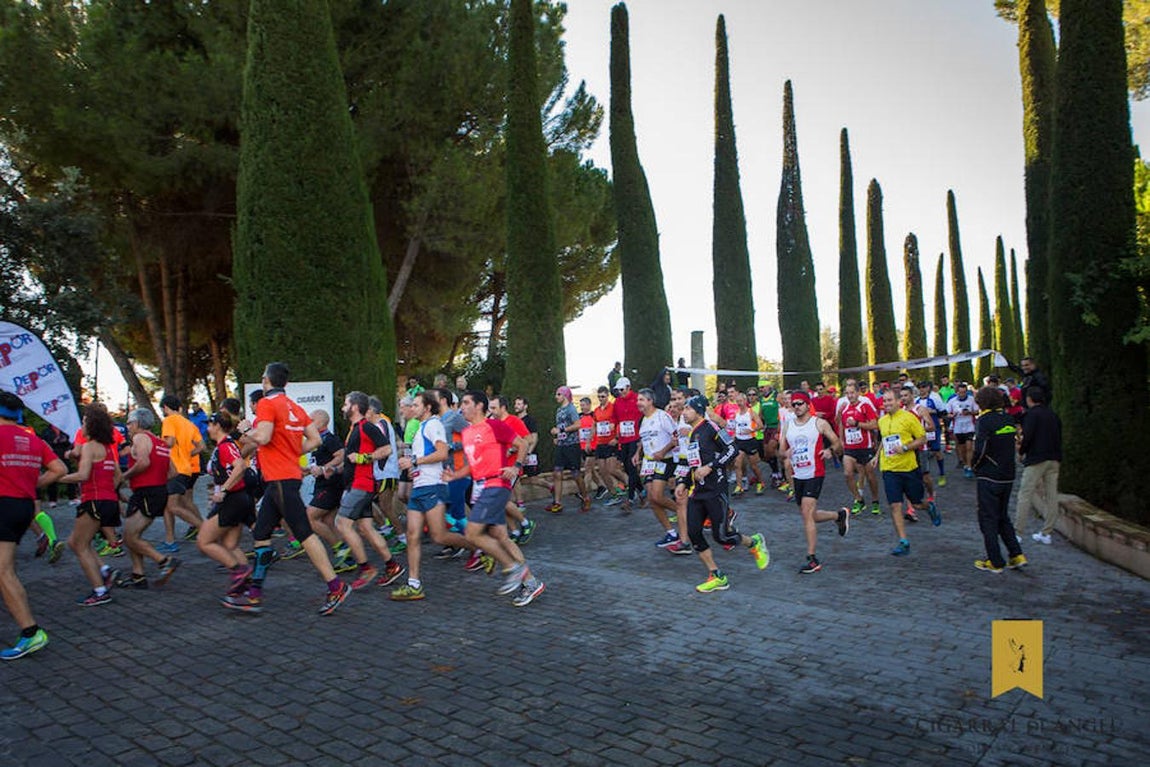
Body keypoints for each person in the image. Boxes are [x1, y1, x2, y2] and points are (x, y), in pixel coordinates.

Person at [230, 362, 350, 615]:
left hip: (281, 479)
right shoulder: (295, 407)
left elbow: (263, 437)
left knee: (305, 533)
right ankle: (254, 594)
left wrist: (246, 430)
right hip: (282, 480)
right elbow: (315, 440)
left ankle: (336, 586)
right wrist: (291, 451)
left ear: (266, 381)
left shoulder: (267, 403)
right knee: (261, 534)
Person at [458, 391, 545, 606]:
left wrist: (516, 466)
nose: (462, 407)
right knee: (500, 536)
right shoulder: (467, 433)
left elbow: (523, 443)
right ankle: (531, 582)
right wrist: (454, 475)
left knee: (472, 533)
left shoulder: (494, 425)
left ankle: (513, 569)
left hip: (496, 485)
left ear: (479, 406)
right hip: (482, 487)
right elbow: (474, 464)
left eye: (466, 402)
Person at [675, 395, 769, 592]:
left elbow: (732, 449)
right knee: (694, 533)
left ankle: (754, 542)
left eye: (688, 409)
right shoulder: (691, 434)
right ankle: (717, 575)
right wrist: (683, 482)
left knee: (722, 536)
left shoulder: (711, 427)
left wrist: (711, 466)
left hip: (715, 489)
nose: (683, 412)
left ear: (698, 411)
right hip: (697, 491)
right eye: (683, 409)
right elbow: (691, 462)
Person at [0, 392, 66, 659]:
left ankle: (30, 632)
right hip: (24, 507)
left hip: (3, 505)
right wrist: (32, 483)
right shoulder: (33, 439)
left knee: (4, 572)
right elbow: (59, 469)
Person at [391, 391, 474, 601]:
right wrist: (413, 467)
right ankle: (414, 584)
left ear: (427, 407)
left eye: (416, 404)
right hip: (420, 486)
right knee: (412, 535)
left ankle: (481, 547)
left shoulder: (434, 424)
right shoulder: (421, 427)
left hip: (433, 486)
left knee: (439, 536)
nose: (412, 407)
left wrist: (415, 462)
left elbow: (442, 453)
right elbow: (424, 456)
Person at [335, 392, 405, 591]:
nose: (343, 408)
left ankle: (366, 568)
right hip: (358, 484)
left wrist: (364, 458)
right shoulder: (356, 428)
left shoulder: (366, 426)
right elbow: (352, 457)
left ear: (355, 407)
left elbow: (386, 449)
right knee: (366, 528)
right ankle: (392, 566)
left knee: (342, 524)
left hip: (361, 485)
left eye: (346, 404)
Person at [778, 390, 848, 573]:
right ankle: (838, 516)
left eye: (800, 403)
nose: (796, 407)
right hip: (797, 474)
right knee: (809, 515)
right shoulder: (787, 425)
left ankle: (812, 558)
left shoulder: (819, 423)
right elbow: (780, 452)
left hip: (815, 473)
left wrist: (829, 451)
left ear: (808, 404)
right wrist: (785, 453)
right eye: (794, 404)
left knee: (807, 512)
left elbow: (838, 443)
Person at [59, 403, 121, 606]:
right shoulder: (107, 449)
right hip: (107, 500)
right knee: (75, 542)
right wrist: (108, 491)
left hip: (93, 500)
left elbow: (83, 475)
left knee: (80, 545)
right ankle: (104, 570)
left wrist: (58, 478)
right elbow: (118, 476)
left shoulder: (88, 447)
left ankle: (100, 590)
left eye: (84, 422)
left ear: (91, 425)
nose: (82, 426)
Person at [117, 408, 181, 589]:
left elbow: (144, 462)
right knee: (132, 534)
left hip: (146, 492)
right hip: (156, 491)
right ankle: (138, 575)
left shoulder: (140, 438)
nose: (127, 427)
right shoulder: (161, 443)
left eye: (129, 423)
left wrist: (125, 476)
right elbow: (173, 472)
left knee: (130, 537)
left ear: (137, 423)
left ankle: (164, 561)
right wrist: (156, 479)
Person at [197, 410, 257, 599]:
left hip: (233, 500)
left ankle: (239, 572)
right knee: (230, 545)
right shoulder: (223, 446)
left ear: (217, 426)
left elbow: (240, 466)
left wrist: (223, 490)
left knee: (204, 542)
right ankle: (248, 586)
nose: (207, 429)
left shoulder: (226, 445)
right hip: (237, 499)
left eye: (209, 425)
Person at [874, 389, 940, 557]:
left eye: (890, 400)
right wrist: (876, 456)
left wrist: (905, 447)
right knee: (895, 505)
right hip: (889, 469)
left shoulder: (909, 417)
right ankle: (903, 542)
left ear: (898, 402)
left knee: (916, 503)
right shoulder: (882, 420)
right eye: (885, 401)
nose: (887, 404)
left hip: (909, 468)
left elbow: (922, 438)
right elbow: (884, 440)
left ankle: (929, 507)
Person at [971, 387, 1027, 572]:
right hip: (1007, 474)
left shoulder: (984, 421)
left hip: (989, 474)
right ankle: (1016, 554)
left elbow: (980, 448)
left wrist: (974, 466)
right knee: (1003, 516)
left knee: (988, 518)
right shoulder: (1008, 418)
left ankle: (994, 560)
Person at [1012, 387, 1062, 545]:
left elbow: (1028, 436)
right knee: (1052, 495)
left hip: (1037, 458)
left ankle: (1018, 532)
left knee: (1025, 494)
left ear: (1029, 399)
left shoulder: (1031, 415)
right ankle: (1047, 532)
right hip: (1054, 457)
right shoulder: (1053, 415)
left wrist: (1021, 452)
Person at [158, 394, 205, 553]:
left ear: (165, 407)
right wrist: (187, 455)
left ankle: (205, 529)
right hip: (186, 469)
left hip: (174, 469)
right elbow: (201, 446)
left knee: (173, 506)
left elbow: (170, 442)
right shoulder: (189, 423)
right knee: (168, 506)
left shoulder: (169, 421)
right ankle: (170, 541)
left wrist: (157, 442)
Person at [636, 388, 681, 548]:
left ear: (650, 401)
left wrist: (663, 451)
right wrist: (637, 454)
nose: (638, 403)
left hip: (665, 460)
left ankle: (686, 513)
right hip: (649, 462)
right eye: (638, 400)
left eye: (641, 400)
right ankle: (671, 533)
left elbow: (676, 437)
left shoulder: (662, 416)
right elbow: (644, 440)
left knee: (657, 496)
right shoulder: (643, 420)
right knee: (652, 499)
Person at [836, 379, 881, 516]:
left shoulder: (865, 406)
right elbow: (840, 424)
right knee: (847, 474)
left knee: (870, 476)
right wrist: (841, 440)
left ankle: (875, 500)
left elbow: (875, 424)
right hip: (850, 447)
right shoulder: (844, 408)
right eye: (847, 393)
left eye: (852, 393)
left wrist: (857, 424)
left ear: (857, 393)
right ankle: (859, 499)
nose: (850, 396)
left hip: (865, 447)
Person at [547, 386, 590, 513]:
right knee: (557, 472)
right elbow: (560, 426)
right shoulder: (559, 410)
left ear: (565, 395)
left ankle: (586, 497)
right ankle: (557, 502)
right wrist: (557, 436)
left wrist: (561, 430)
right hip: (561, 445)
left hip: (572, 445)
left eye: (558, 394)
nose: (556, 397)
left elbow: (578, 424)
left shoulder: (571, 409)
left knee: (576, 474)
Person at [610, 377, 643, 508]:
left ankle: (630, 498)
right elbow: (614, 418)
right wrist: (613, 425)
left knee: (631, 465)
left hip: (635, 437)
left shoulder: (637, 399)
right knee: (627, 467)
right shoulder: (617, 402)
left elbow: (644, 414)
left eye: (622, 389)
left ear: (629, 387)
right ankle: (642, 490)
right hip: (623, 438)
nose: (620, 392)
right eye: (618, 390)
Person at [946, 382, 979, 477]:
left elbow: (977, 411)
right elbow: (947, 413)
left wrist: (970, 413)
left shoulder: (971, 399)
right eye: (960, 392)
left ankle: (969, 467)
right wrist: (953, 415)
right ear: (957, 392)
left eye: (964, 392)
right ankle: (965, 464)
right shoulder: (952, 401)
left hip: (969, 426)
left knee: (969, 447)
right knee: (963, 449)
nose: (962, 394)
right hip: (958, 427)